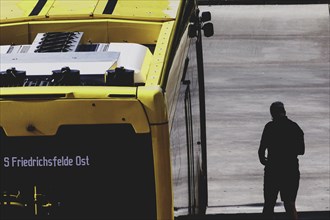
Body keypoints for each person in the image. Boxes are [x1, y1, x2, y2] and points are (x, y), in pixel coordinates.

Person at [258, 101, 305, 220]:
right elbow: (301, 150)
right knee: (290, 204)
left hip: (273, 170)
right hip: (290, 170)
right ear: (284, 112)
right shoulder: (294, 127)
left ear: (272, 113)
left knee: (269, 204)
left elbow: (261, 151)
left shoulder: (269, 127)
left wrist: (266, 161)